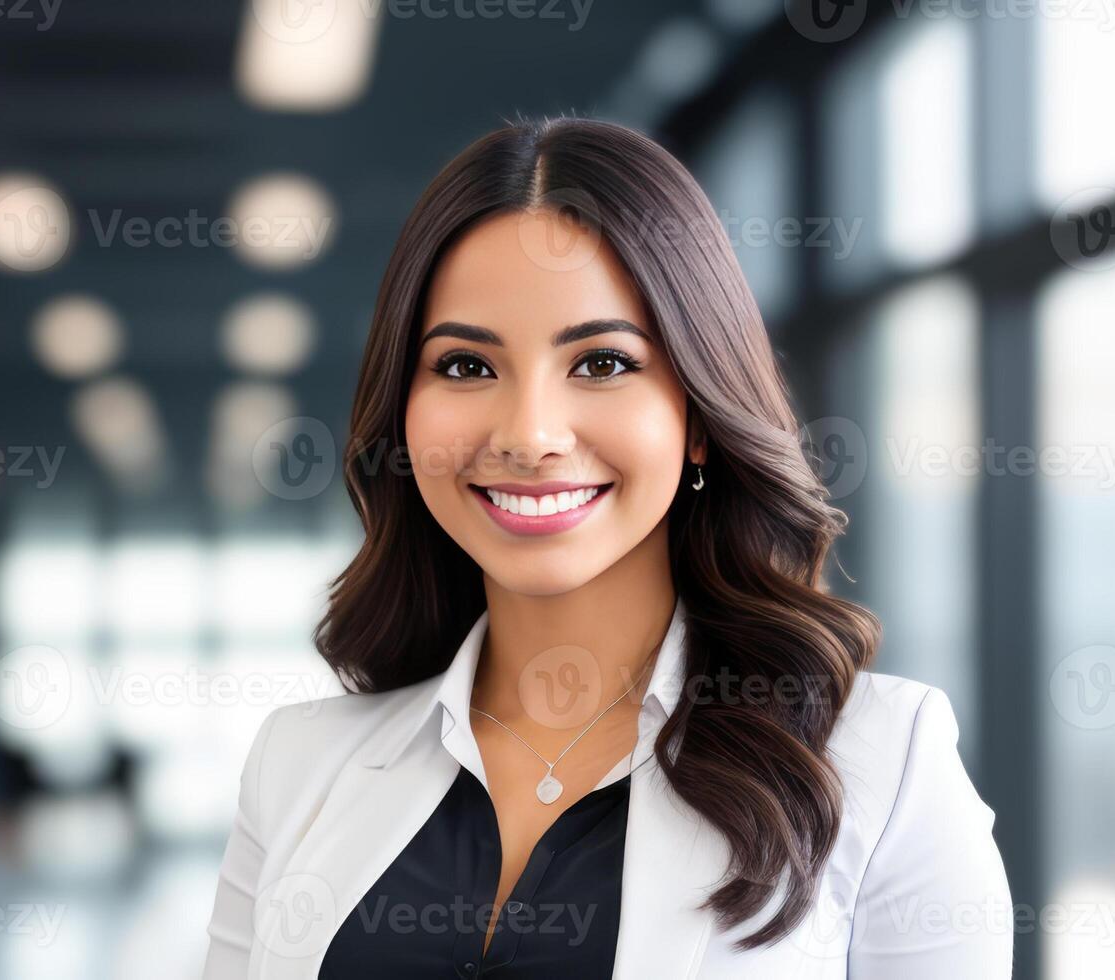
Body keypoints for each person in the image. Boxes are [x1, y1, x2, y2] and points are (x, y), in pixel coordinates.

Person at [201, 116, 1013, 979]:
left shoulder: (880, 765)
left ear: (699, 417)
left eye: (602, 364)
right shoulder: (298, 764)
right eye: (467, 368)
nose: (531, 435)